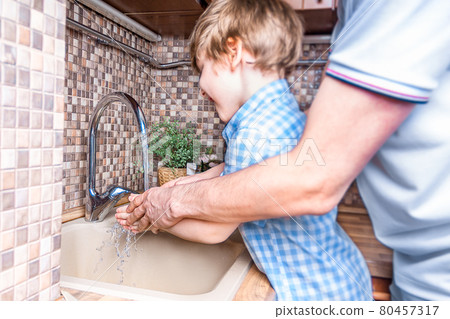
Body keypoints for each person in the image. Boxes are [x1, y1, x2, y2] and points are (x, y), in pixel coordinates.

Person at [117, 0, 450, 301]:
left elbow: (215, 228)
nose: (201, 89)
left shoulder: (253, 130)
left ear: (234, 52)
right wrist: (174, 189)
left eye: (202, 69)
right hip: (339, 280)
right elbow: (236, 173)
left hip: (311, 294)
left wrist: (153, 220)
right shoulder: (278, 111)